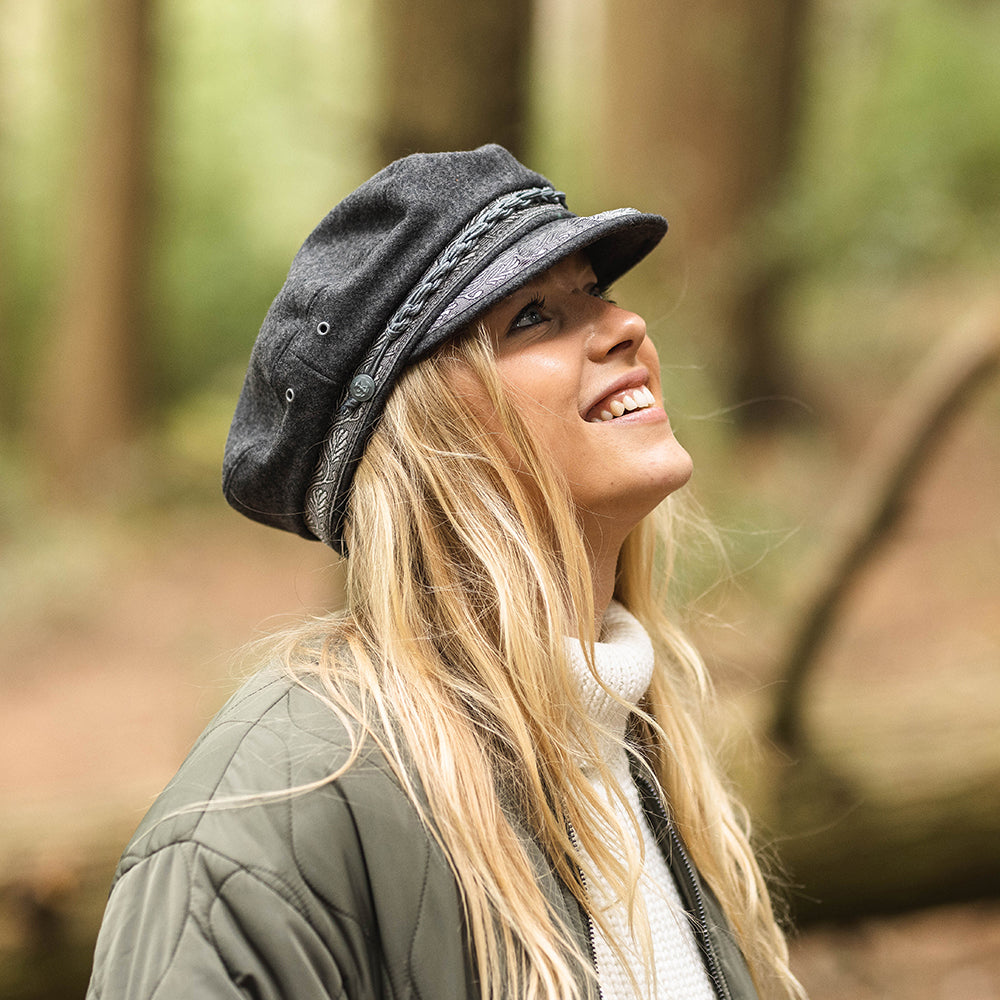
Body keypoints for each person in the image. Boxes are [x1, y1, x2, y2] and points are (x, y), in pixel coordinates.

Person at [86, 145, 804, 1000]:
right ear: (428, 445)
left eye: (596, 292)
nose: (624, 328)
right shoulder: (273, 807)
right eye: (534, 316)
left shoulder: (630, 742)